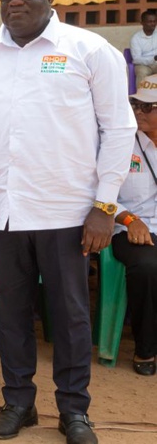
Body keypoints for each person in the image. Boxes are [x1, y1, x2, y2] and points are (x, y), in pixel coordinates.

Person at [0, 0, 136, 444]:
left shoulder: (87, 50)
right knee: (13, 312)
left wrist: (104, 206)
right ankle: (18, 402)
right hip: (3, 209)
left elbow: (119, 128)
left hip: (66, 211)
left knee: (70, 315)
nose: (14, 1)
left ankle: (74, 410)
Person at [111, 76, 157, 376]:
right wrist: (128, 219)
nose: (138, 111)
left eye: (148, 106)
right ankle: (146, 348)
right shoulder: (122, 142)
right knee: (148, 267)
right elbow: (98, 193)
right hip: (130, 227)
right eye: (135, 104)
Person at [131, 11, 157, 85]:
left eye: (154, 21)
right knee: (142, 73)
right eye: (150, 22)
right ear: (142, 23)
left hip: (156, 63)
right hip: (142, 65)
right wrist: (153, 59)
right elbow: (136, 59)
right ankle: (140, 96)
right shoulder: (136, 38)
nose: (153, 24)